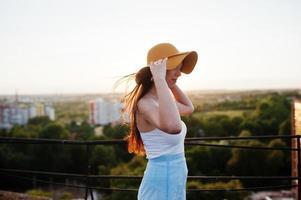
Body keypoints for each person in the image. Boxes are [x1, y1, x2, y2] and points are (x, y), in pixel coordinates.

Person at [117, 43, 198, 200]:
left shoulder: (160, 101)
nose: (179, 73)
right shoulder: (145, 104)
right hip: (162, 180)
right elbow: (174, 127)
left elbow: (188, 108)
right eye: (175, 68)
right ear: (159, 70)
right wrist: (160, 79)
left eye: (180, 68)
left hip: (175, 179)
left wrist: (171, 84)